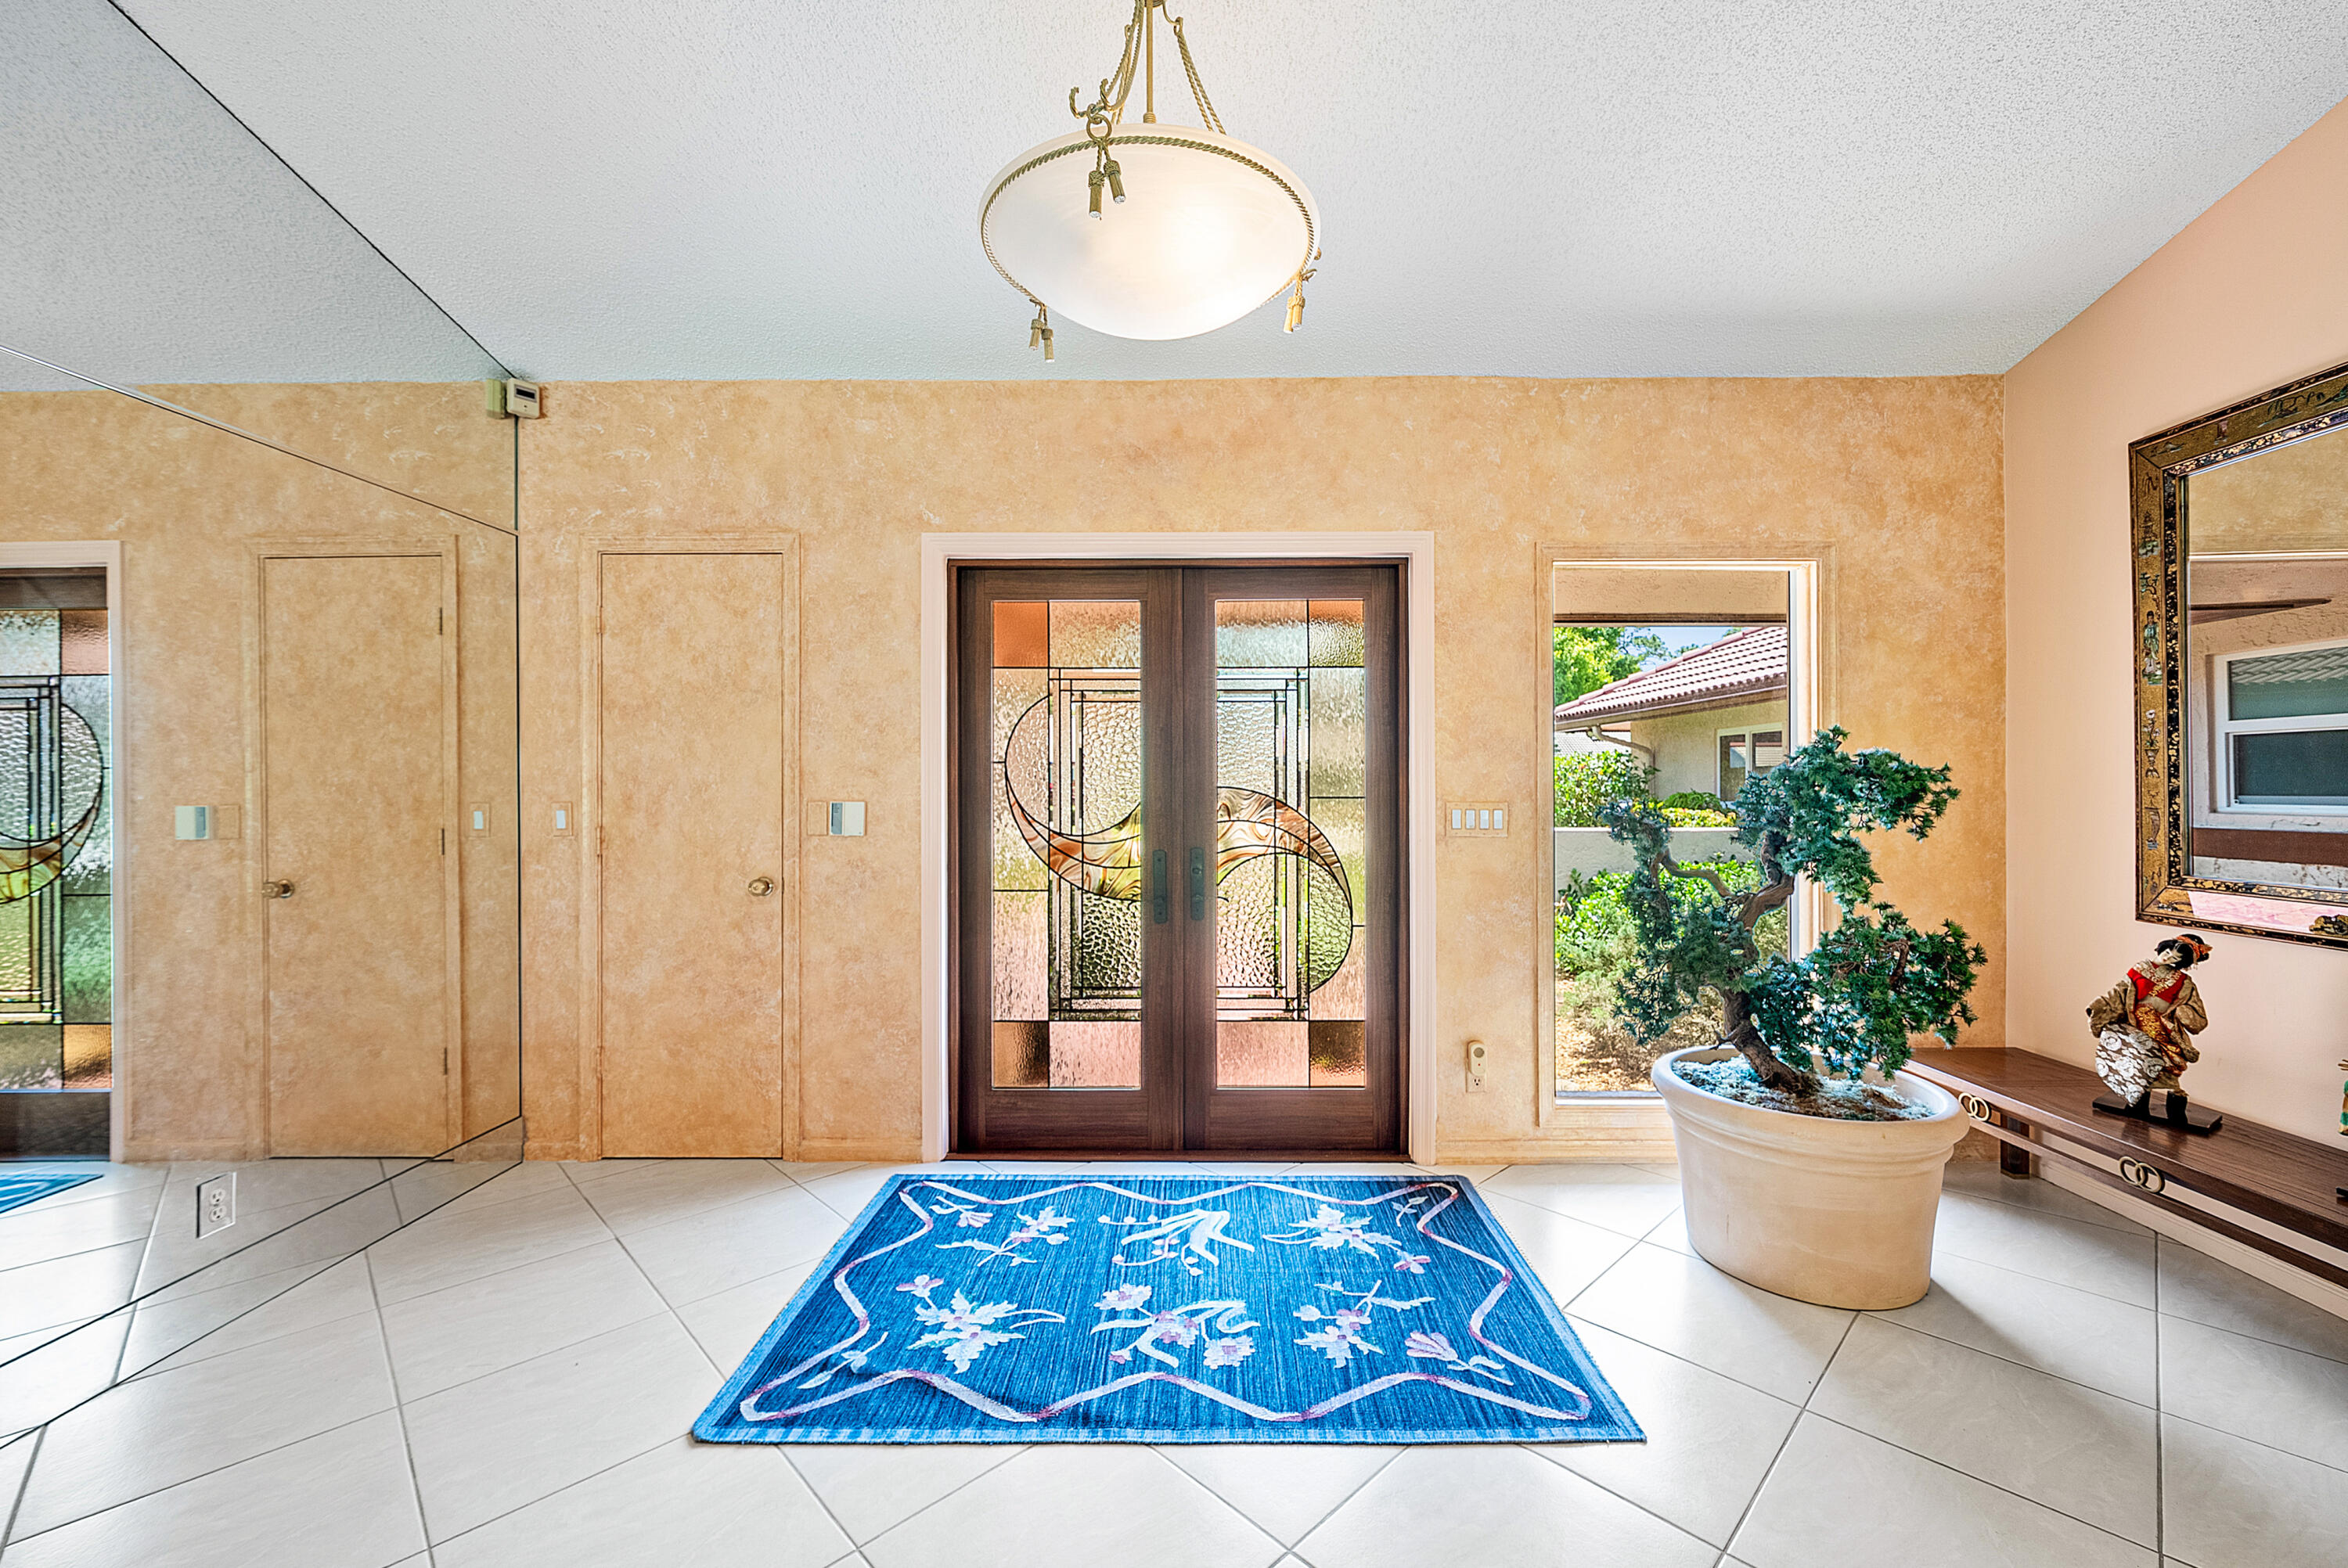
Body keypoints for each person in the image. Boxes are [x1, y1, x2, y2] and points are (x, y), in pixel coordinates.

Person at [2086, 933, 2213, 1100]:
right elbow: (2119, 992)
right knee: (2138, 1059)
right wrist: (2100, 1005)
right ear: (2162, 948)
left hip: (2163, 1025)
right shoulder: (2140, 969)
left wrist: (2182, 1012)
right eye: (2167, 952)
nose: (2168, 958)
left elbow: (2196, 1013)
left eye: (2175, 958)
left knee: (2164, 1059)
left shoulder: (2185, 982)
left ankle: (2175, 1098)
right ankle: (2138, 1096)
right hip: (2135, 1022)